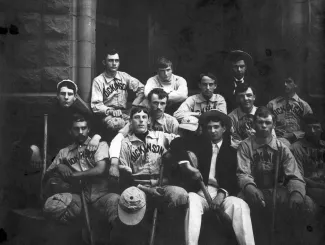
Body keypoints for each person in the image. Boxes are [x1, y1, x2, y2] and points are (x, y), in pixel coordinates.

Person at [170, 110, 255, 245]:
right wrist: (187, 166)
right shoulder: (198, 145)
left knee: (240, 206)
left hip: (223, 194)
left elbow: (234, 178)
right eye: (209, 127)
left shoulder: (232, 151)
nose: (212, 131)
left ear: (224, 129)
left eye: (216, 127)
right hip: (200, 192)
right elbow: (176, 144)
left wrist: (221, 195)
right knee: (191, 201)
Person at [237, 106, 315, 243]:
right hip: (256, 189)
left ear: (273, 125)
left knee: (306, 203)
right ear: (254, 124)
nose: (263, 126)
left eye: (267, 123)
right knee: (239, 203)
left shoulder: (281, 147)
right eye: (260, 122)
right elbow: (243, 173)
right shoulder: (245, 146)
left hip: (278, 191)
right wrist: (249, 187)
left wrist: (296, 192)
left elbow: (294, 175)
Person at [43, 114, 120, 241]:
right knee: (53, 206)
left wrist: (73, 175)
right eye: (76, 129)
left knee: (117, 202)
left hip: (100, 196)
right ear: (70, 131)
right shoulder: (64, 152)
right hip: (78, 196)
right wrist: (59, 167)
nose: (80, 132)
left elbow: (100, 169)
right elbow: (48, 174)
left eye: (83, 128)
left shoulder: (100, 145)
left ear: (88, 129)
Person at [117, 107, 188, 244]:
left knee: (181, 195)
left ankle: (171, 238)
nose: (141, 120)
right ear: (130, 121)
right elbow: (125, 177)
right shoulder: (125, 143)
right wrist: (148, 190)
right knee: (132, 199)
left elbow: (180, 141)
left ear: (149, 120)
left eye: (144, 117)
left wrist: (172, 152)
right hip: (139, 186)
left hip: (162, 184)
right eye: (137, 117)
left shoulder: (160, 136)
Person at [108, 88, 179, 178]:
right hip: (139, 162)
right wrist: (114, 164)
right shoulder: (138, 119)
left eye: (162, 103)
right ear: (149, 103)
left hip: (162, 164)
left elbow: (178, 143)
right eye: (155, 103)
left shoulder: (172, 122)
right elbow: (117, 139)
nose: (159, 107)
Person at [91, 49, 145, 133]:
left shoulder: (124, 76)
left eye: (116, 60)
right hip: (108, 115)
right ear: (104, 62)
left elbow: (142, 89)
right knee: (116, 125)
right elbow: (96, 105)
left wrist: (135, 104)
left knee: (142, 125)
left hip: (125, 113)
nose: (114, 63)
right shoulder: (98, 80)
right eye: (110, 60)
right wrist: (110, 111)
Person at [267, 76, 313, 146]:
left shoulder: (304, 106)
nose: (285, 84)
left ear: (295, 84)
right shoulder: (272, 104)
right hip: (278, 140)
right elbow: (266, 124)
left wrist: (293, 134)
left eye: (289, 82)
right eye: (283, 82)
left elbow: (311, 128)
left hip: (300, 141)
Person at [290, 114, 325, 206]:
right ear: (304, 129)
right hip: (309, 187)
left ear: (321, 128)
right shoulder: (296, 148)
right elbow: (298, 176)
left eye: (316, 127)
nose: (313, 131)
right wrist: (318, 185)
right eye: (309, 128)